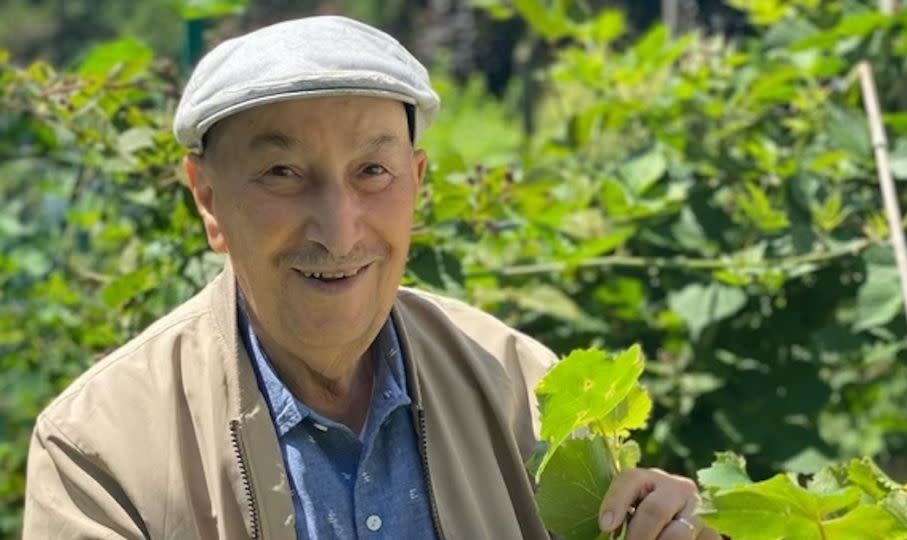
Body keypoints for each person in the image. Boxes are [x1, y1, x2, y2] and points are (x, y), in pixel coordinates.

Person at [22, 15, 721, 540]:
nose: (339, 229)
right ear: (208, 198)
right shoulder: (97, 452)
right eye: (282, 174)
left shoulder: (523, 388)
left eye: (372, 172)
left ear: (415, 182)